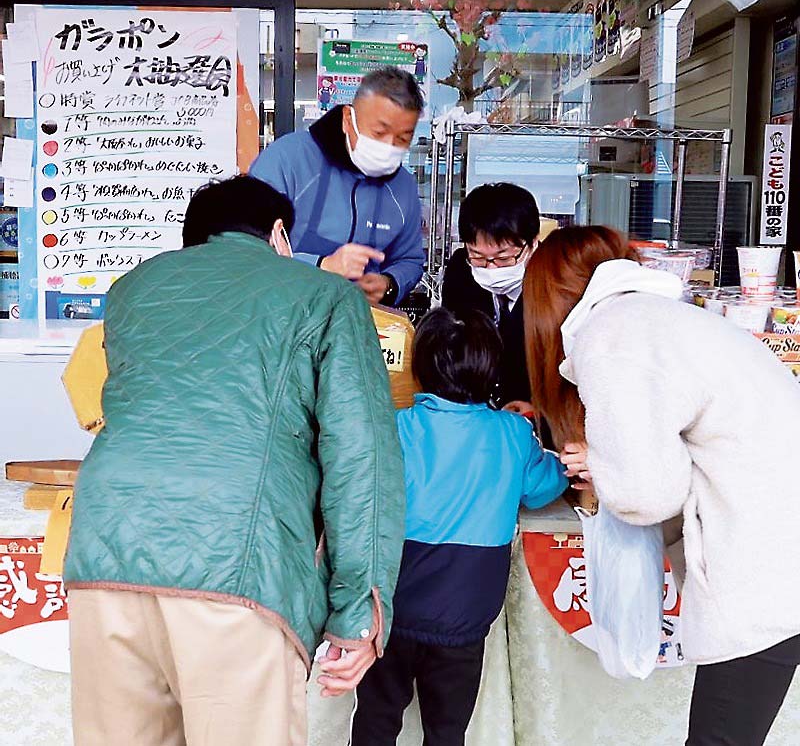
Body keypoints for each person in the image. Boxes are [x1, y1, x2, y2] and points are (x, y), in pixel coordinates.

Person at [64, 176, 406, 746]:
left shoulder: (132, 291)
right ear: (277, 234)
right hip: (234, 564)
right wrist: (360, 610)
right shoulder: (324, 296)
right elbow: (361, 457)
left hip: (103, 553)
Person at [523, 225, 800, 746]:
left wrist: (603, 467)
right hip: (779, 555)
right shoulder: (658, 318)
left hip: (760, 569)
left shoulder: (613, 334)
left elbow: (646, 492)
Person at [350, 307, 567, 746]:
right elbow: (543, 489)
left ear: (420, 367)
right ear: (492, 371)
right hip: (465, 614)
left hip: (392, 608)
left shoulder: (396, 426)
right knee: (447, 730)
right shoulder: (513, 432)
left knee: (376, 718)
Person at [250, 66, 425, 307]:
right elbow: (246, 248)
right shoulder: (286, 159)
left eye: (403, 138)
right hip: (280, 312)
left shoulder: (403, 186)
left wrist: (389, 284)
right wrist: (321, 265)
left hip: (358, 320)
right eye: (379, 132)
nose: (389, 146)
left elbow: (410, 259)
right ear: (347, 119)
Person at [441, 182, 540, 413]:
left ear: (533, 243)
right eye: (477, 257)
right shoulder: (460, 271)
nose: (491, 268)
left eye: (503, 258)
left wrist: (540, 410)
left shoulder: (557, 282)